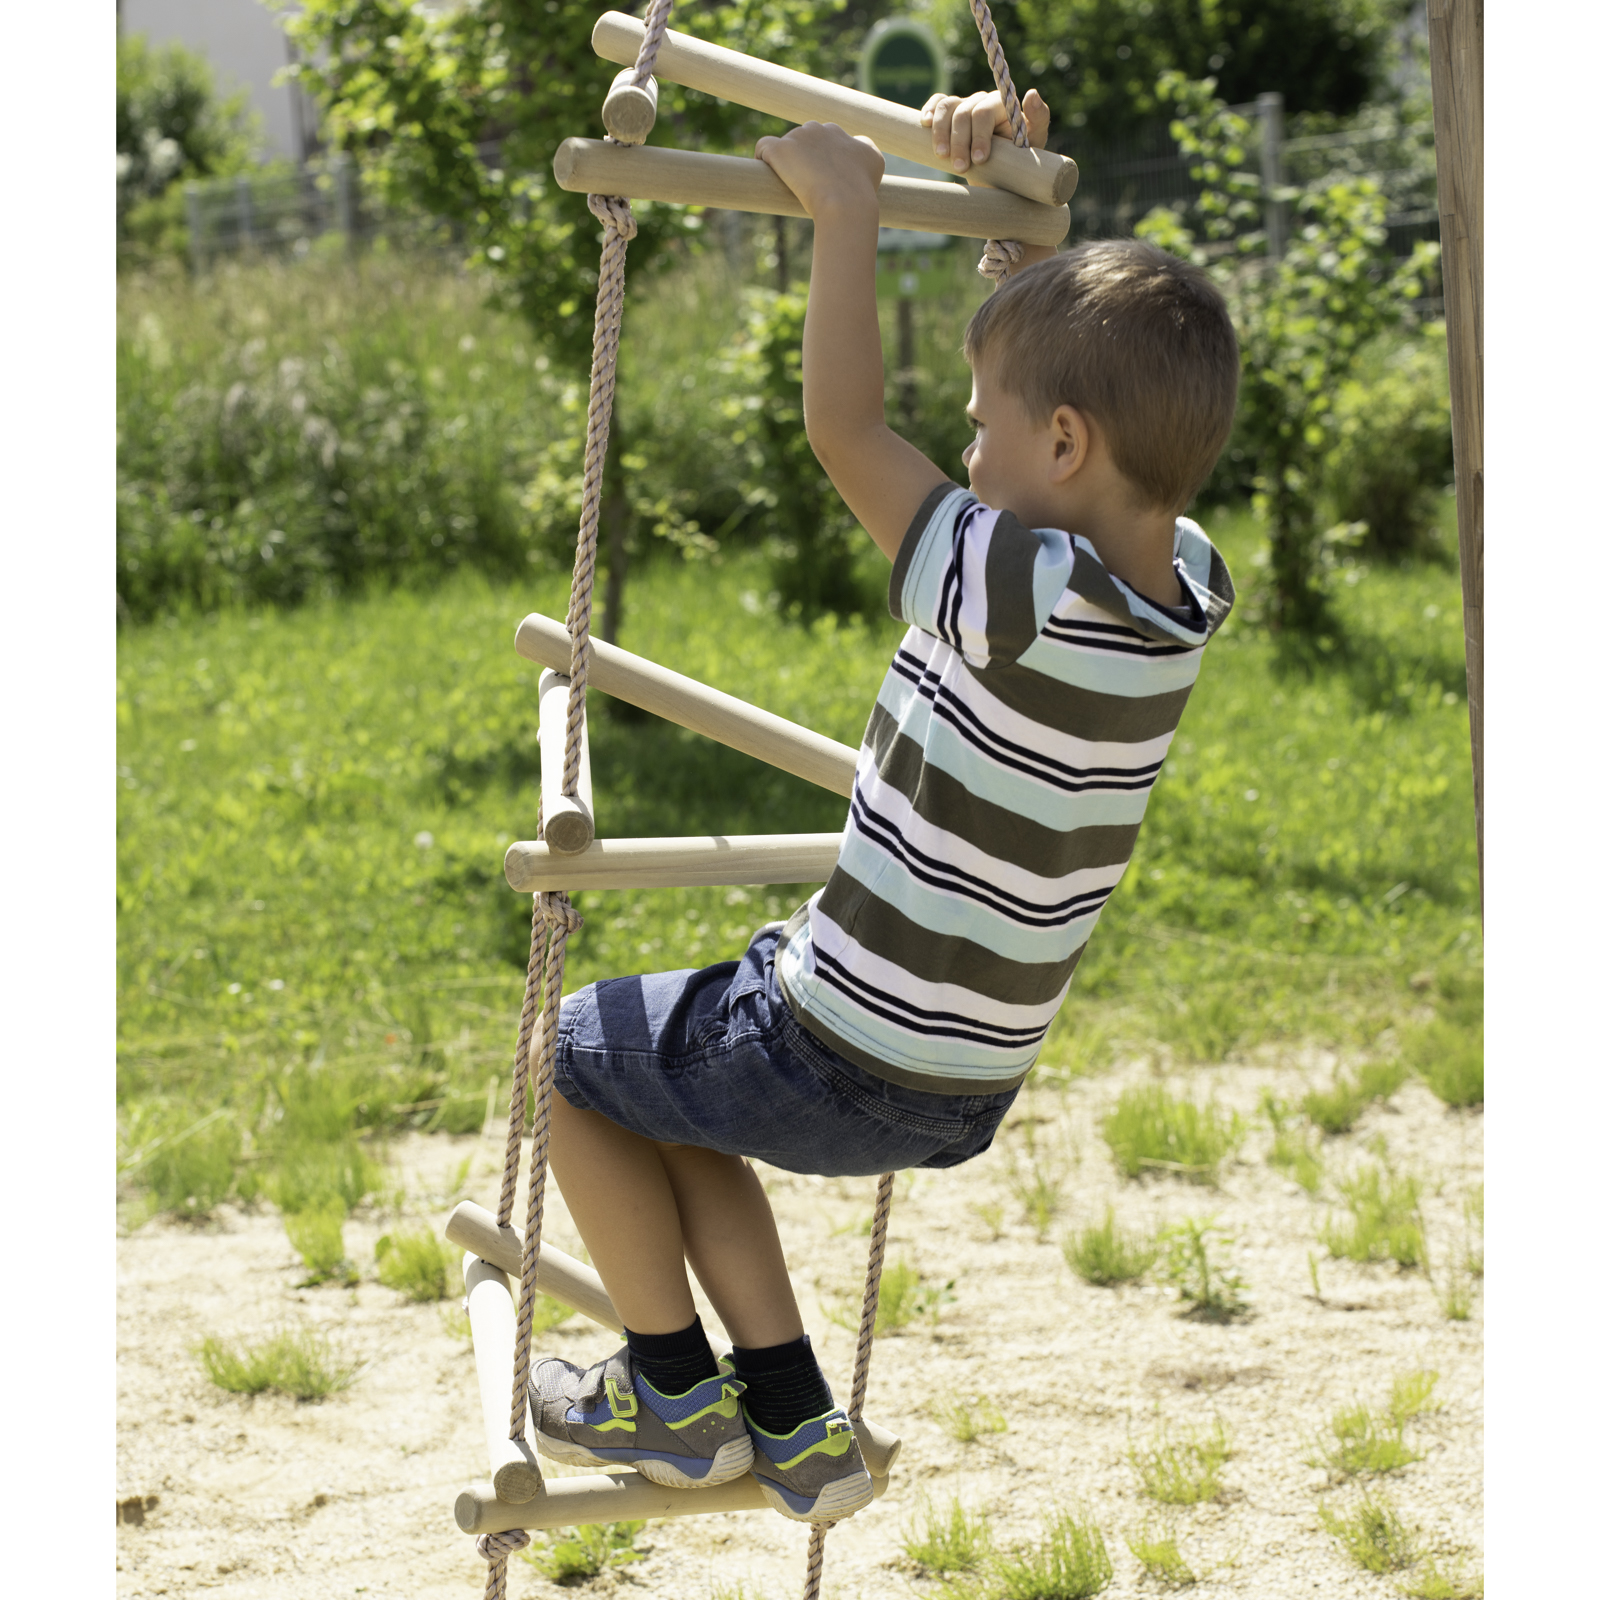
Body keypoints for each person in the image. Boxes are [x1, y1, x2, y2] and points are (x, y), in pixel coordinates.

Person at [527, 87, 1240, 1525]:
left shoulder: (1018, 591)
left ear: (1061, 448)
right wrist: (1003, 223)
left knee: (573, 1060)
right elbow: (1105, 377)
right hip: (962, 1082)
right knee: (681, 1102)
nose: (961, 456)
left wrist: (849, 213)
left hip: (834, 1038)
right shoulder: (1184, 588)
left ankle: (668, 1389)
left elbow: (844, 424)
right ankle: (790, 1419)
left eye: (981, 429)